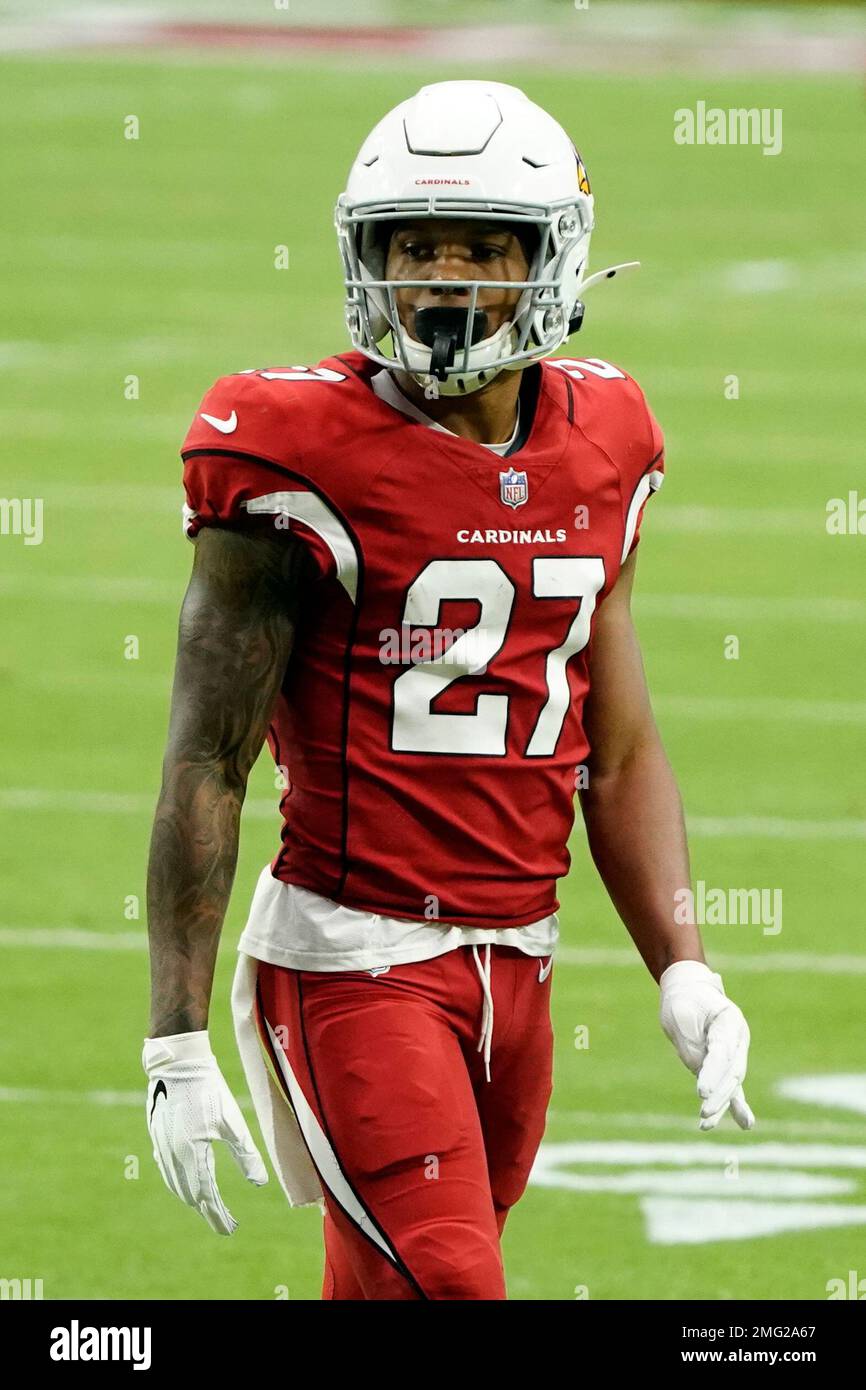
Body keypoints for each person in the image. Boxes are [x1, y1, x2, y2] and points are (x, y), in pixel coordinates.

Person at [143, 80, 754, 1301]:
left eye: (481, 246)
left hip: (520, 961)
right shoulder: (285, 444)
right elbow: (207, 757)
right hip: (351, 959)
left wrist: (681, 963)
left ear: (551, 255)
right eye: (412, 245)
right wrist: (174, 1036)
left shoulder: (608, 436)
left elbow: (617, 749)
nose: (440, 279)